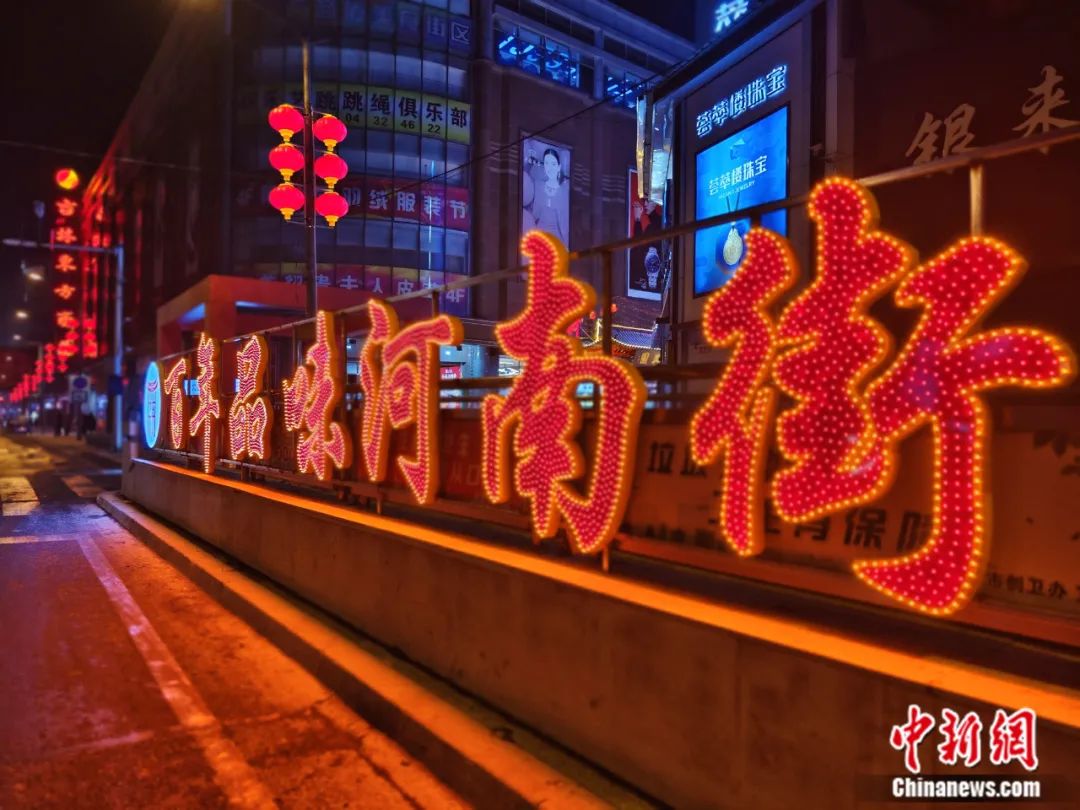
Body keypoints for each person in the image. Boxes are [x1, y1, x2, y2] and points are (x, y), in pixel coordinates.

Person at [524, 146, 569, 245]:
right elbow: (532, 213)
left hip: (558, 238)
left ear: (558, 166)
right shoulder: (537, 185)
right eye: (547, 163)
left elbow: (565, 221)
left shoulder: (564, 191)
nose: (550, 168)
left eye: (553, 164)